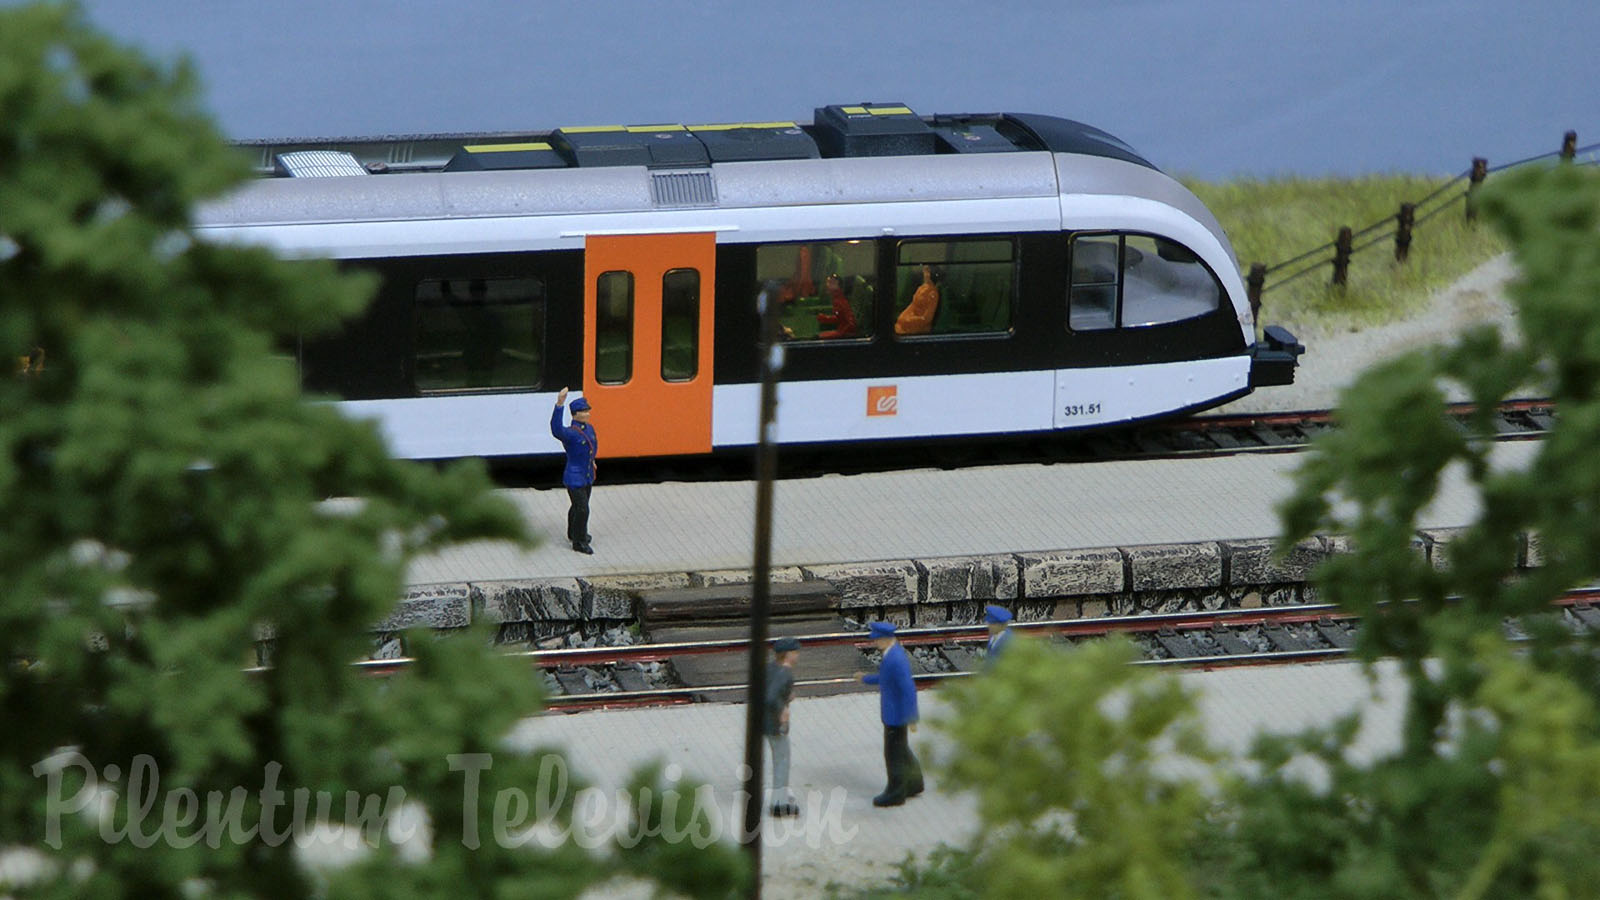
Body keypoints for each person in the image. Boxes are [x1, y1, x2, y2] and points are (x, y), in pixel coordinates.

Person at [857, 621, 923, 807]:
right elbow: (885, 678)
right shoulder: (892, 654)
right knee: (901, 749)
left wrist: (911, 716)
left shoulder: (895, 659)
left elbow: (908, 689)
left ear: (886, 639)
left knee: (893, 754)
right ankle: (915, 782)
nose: (874, 643)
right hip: (894, 713)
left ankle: (896, 792)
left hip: (896, 715)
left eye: (877, 640)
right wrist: (865, 678)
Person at [551, 387, 597, 554]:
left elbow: (592, 448)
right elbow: (556, 429)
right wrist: (559, 404)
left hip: (587, 474)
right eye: (584, 412)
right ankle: (579, 541)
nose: (587, 414)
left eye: (587, 411)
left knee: (577, 506)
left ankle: (574, 532)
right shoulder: (571, 433)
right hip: (574, 476)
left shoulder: (589, 429)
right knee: (583, 508)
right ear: (575, 414)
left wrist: (592, 461)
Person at [765, 636, 802, 817]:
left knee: (779, 759)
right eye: (795, 653)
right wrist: (781, 710)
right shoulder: (785, 673)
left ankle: (780, 798)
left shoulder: (771, 668)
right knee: (782, 761)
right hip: (775, 724)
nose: (797, 656)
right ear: (787, 655)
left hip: (765, 721)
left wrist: (786, 697)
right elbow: (771, 697)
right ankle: (779, 804)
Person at [894, 264, 941, 335]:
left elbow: (926, 318)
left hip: (918, 327)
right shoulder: (921, 288)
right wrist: (903, 317)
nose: (924, 273)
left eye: (927, 271)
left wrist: (908, 320)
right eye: (925, 271)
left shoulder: (933, 293)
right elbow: (913, 305)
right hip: (907, 322)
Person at [815, 274, 858, 339]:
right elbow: (840, 318)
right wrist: (826, 318)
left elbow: (850, 323)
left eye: (832, 283)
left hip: (845, 334)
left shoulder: (840, 301)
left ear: (839, 286)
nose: (828, 285)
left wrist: (840, 334)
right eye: (828, 282)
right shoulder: (836, 299)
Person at [983, 604, 1014, 668]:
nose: (989, 627)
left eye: (992, 624)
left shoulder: (1009, 640)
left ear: (1000, 625)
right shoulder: (993, 637)